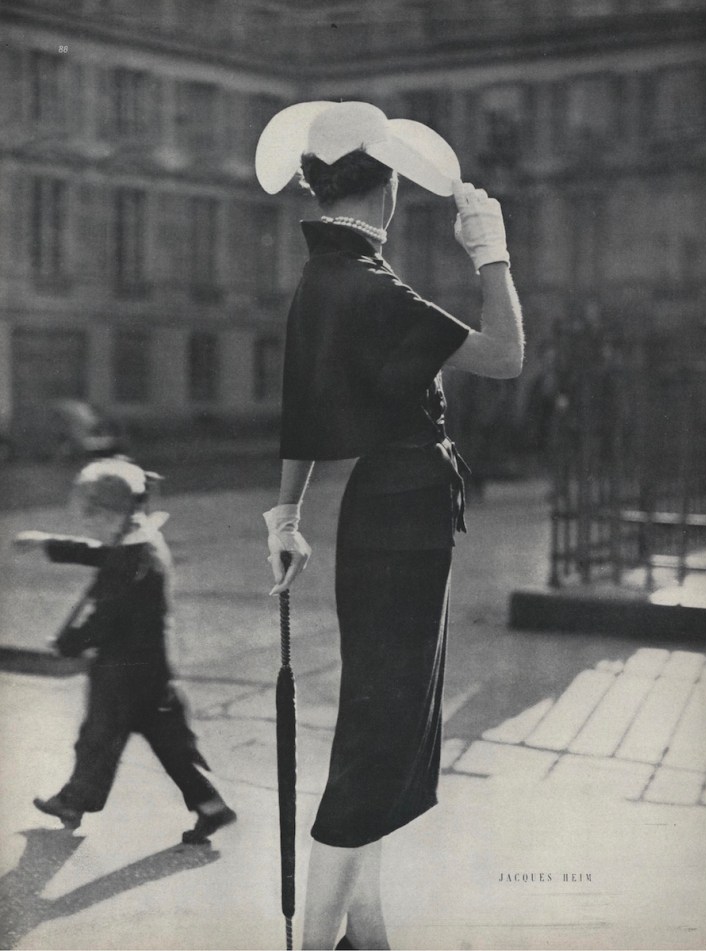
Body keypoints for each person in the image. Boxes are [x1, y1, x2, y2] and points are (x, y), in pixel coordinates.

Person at [256, 101, 524, 949]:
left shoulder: (320, 277)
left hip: (380, 508)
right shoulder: (370, 283)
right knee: (385, 729)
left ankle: (363, 933)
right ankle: (320, 940)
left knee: (381, 717)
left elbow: (300, 410)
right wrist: (493, 251)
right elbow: (506, 355)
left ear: (314, 183)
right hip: (406, 511)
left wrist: (286, 513)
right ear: (393, 189)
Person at [13, 456, 236, 845]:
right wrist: (47, 543)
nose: (89, 525)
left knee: (98, 738)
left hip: (121, 672)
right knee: (169, 747)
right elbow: (100, 554)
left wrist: (69, 643)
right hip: (152, 672)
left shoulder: (132, 562)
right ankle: (210, 805)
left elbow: (104, 616)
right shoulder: (140, 542)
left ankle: (74, 801)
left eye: (92, 517)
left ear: (111, 515)